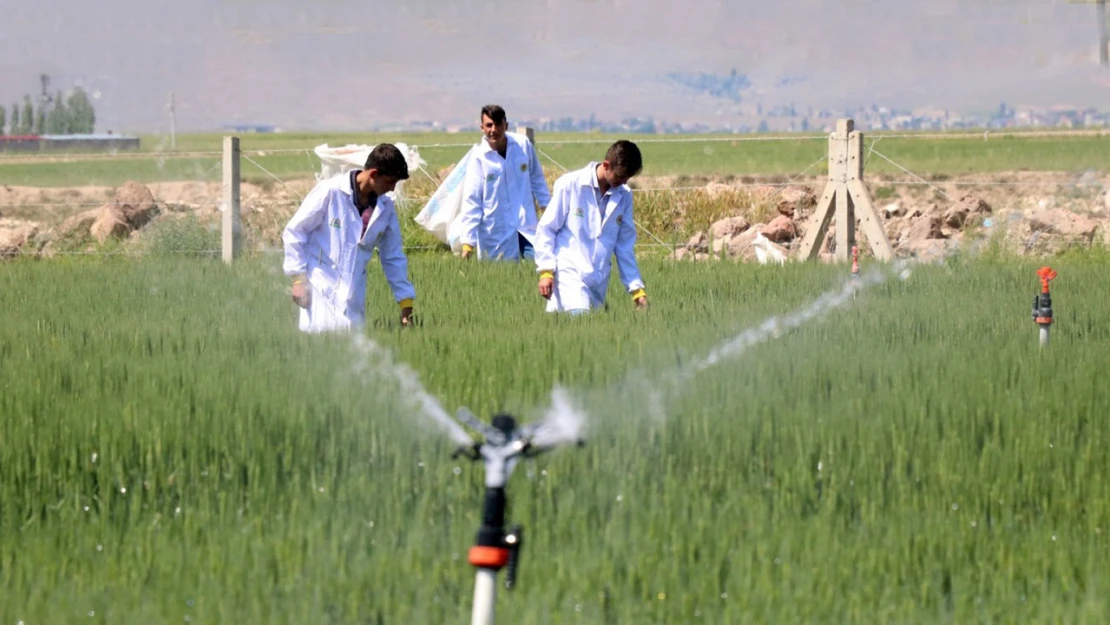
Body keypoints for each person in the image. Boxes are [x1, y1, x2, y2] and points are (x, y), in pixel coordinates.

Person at [282, 143, 416, 333]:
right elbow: (295, 231)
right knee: (318, 348)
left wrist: (405, 302)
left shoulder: (385, 208)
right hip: (320, 287)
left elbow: (393, 256)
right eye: (390, 181)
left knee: (353, 351)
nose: (393, 189)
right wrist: (297, 279)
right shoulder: (330, 192)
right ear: (374, 174)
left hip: (353, 292)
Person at [533, 140, 648, 314]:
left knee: (587, 331)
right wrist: (546, 271)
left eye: (627, 178)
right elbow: (547, 229)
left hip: (598, 278)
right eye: (619, 177)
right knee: (580, 318)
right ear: (606, 165)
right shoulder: (570, 185)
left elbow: (624, 246)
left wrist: (636, 290)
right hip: (569, 271)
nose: (623, 182)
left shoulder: (624, 196)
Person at [456, 104, 551, 261]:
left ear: (506, 125)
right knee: (501, 279)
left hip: (525, 227)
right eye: (489, 125)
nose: (494, 130)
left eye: (498, 124)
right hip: (496, 232)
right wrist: (468, 242)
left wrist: (547, 209)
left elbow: (537, 178)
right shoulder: (478, 158)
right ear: (482, 128)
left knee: (538, 266)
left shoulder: (522, 145)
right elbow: (472, 201)